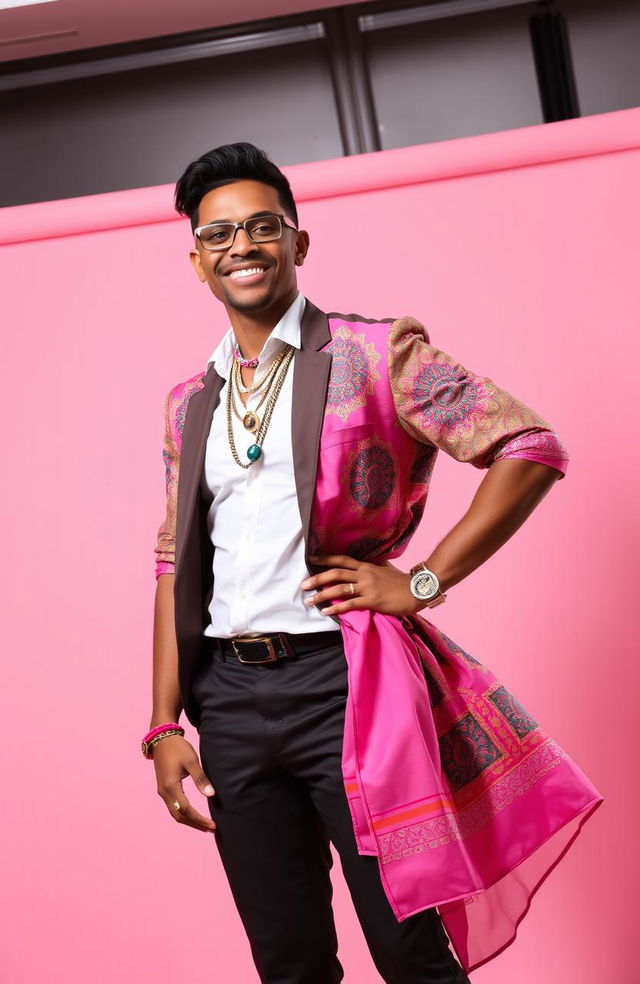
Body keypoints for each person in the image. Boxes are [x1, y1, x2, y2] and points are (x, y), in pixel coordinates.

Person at [143, 142, 603, 983]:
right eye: (219, 235)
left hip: (344, 689)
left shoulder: (375, 353)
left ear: (298, 242)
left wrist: (422, 581)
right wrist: (163, 725)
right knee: (287, 960)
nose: (241, 247)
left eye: (261, 227)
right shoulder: (189, 403)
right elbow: (175, 564)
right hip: (230, 704)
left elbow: (530, 445)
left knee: (409, 949)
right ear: (197, 260)